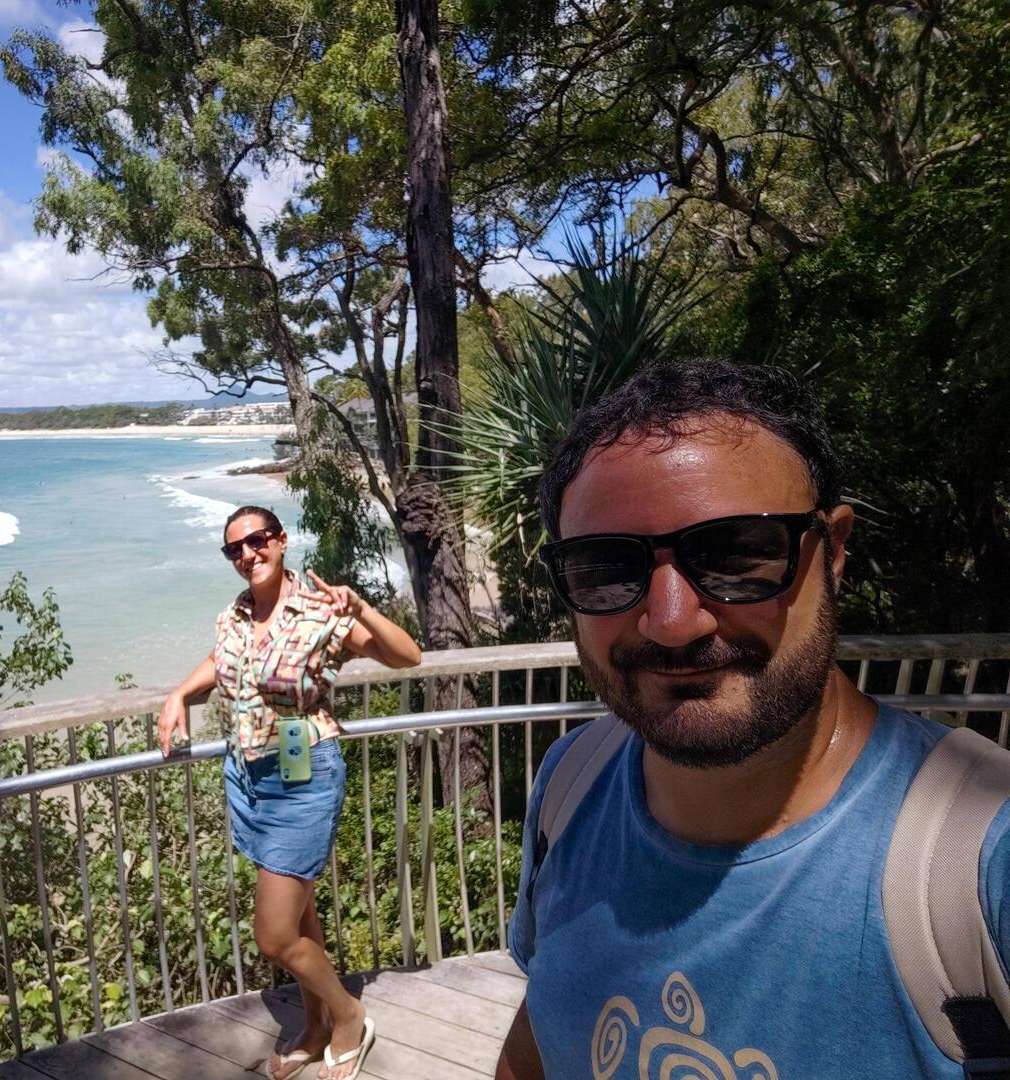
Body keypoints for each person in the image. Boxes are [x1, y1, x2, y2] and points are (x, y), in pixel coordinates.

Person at [495, 361, 1010, 1078]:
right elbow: (538, 1039)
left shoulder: (984, 858)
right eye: (606, 568)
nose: (672, 621)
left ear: (833, 552)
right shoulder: (571, 782)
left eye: (737, 553)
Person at [158, 505, 421, 1080]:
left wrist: (362, 608)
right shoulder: (234, 615)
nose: (247, 554)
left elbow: (407, 656)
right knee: (301, 918)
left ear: (280, 541)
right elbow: (221, 662)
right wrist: (178, 694)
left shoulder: (321, 609)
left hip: (304, 777)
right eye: (234, 548)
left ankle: (349, 1015)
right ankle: (316, 1026)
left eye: (257, 541)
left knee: (275, 937)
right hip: (247, 778)